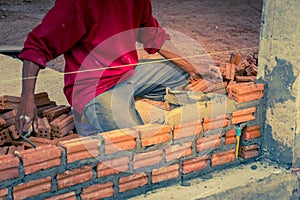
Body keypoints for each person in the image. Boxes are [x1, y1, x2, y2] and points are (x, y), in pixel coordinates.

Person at [16, 0, 221, 136]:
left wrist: (193, 66)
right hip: (94, 90)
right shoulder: (79, 2)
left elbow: (152, 34)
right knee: (135, 140)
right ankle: (95, 119)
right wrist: (27, 98)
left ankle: (133, 105)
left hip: (127, 74)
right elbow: (36, 46)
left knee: (180, 74)